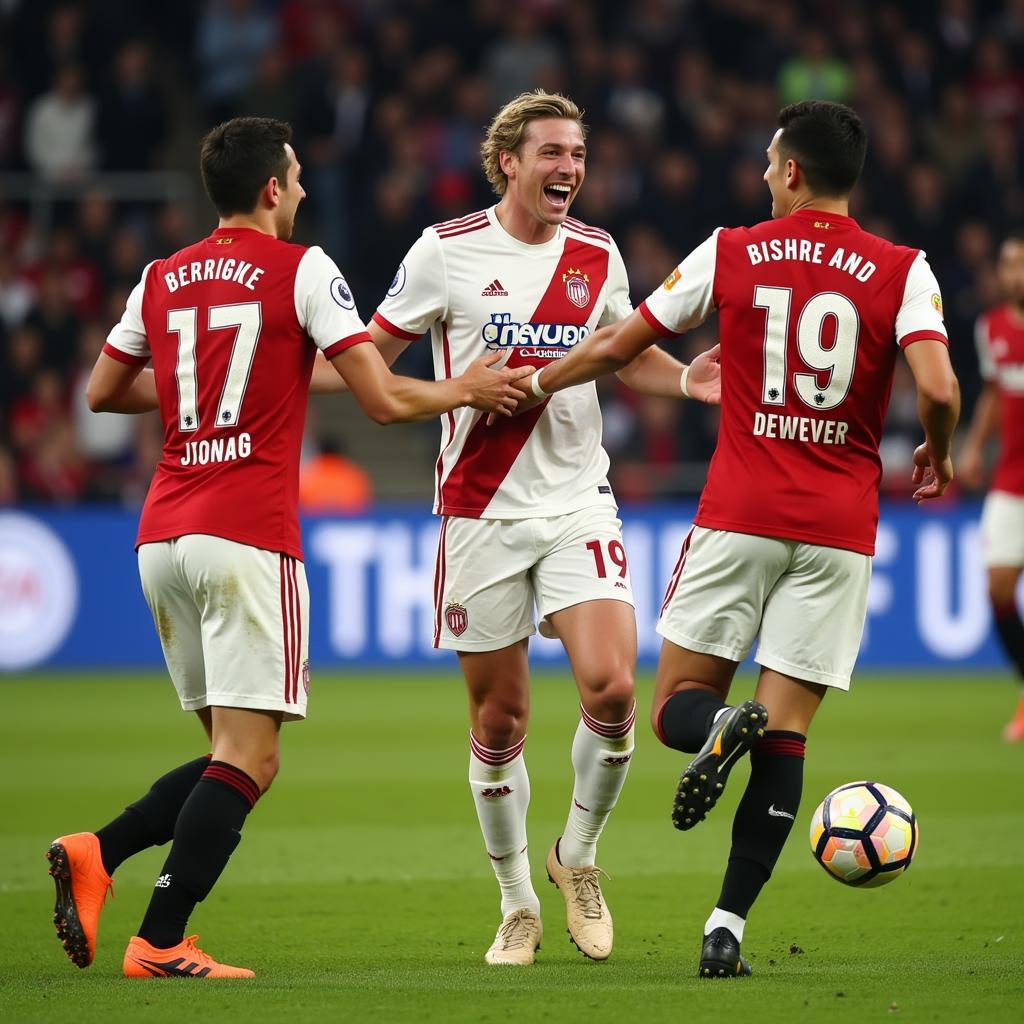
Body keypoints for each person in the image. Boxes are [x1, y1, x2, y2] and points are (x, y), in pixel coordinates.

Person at [46, 116, 529, 980]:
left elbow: (102, 389)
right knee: (251, 756)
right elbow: (378, 399)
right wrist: (462, 387)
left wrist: (201, 388)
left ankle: (98, 851)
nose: (303, 189)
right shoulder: (302, 267)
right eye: (298, 177)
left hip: (163, 534)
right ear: (272, 188)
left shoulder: (163, 274)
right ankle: (159, 941)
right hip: (246, 534)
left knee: (233, 755)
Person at [521, 100, 959, 976]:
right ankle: (726, 927)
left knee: (679, 703)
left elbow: (623, 343)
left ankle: (723, 722)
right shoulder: (905, 269)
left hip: (740, 513)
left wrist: (540, 379)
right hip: (839, 531)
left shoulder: (732, 249)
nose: (762, 174)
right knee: (787, 737)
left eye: (769, 162)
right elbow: (940, 386)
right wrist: (938, 452)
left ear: (793, 172)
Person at [355, 90, 720, 965]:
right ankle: (517, 901)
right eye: (552, 153)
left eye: (579, 155)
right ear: (507, 163)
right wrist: (458, 392)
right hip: (478, 508)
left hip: (574, 502)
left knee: (614, 688)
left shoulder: (598, 254)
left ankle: (577, 859)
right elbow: (368, 363)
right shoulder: (443, 254)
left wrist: (685, 383)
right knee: (501, 719)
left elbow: (625, 360)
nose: (569, 169)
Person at [961, 233, 1024, 742]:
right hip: (1010, 478)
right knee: (997, 589)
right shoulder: (992, 328)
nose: (1015, 274)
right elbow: (992, 393)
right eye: (1008, 264)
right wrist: (975, 447)